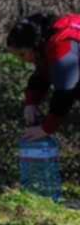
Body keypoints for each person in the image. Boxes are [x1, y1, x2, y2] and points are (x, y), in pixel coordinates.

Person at [8, 12, 80, 140]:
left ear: (34, 46)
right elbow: (43, 72)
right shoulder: (53, 34)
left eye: (22, 54)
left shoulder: (62, 43)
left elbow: (65, 91)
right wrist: (31, 102)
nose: (22, 60)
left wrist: (46, 128)